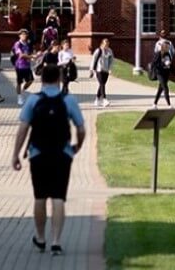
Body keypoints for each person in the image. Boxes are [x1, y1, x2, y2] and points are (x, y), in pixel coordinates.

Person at [11, 63, 86, 258]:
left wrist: (15, 154)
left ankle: (40, 237)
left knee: (40, 197)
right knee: (59, 197)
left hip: (38, 154)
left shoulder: (33, 100)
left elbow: (23, 129)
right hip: (63, 154)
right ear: (59, 79)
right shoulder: (68, 100)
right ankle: (56, 242)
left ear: (42, 78)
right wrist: (77, 146)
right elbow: (81, 128)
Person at [151, 32, 175, 108]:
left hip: (166, 72)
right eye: (167, 47)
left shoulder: (168, 54)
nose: (168, 48)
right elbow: (154, 64)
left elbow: (170, 64)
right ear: (164, 47)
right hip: (159, 73)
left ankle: (154, 104)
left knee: (160, 89)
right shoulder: (158, 54)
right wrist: (163, 64)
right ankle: (169, 104)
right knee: (165, 87)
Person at [12, 30, 35, 105]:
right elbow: (21, 55)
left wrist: (32, 56)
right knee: (19, 82)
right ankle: (19, 97)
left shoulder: (27, 44)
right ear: (19, 35)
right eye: (23, 34)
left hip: (27, 66)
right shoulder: (17, 44)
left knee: (30, 80)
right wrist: (31, 56)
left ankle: (23, 91)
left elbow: (29, 53)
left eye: (25, 34)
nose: (24, 36)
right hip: (19, 66)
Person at [89, 38, 114, 107]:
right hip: (99, 70)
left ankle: (97, 99)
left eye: (107, 44)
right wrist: (91, 69)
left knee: (102, 85)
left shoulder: (110, 51)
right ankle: (104, 99)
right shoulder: (98, 50)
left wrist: (110, 69)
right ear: (102, 44)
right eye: (105, 44)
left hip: (106, 70)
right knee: (102, 84)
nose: (106, 45)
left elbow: (111, 61)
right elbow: (93, 59)